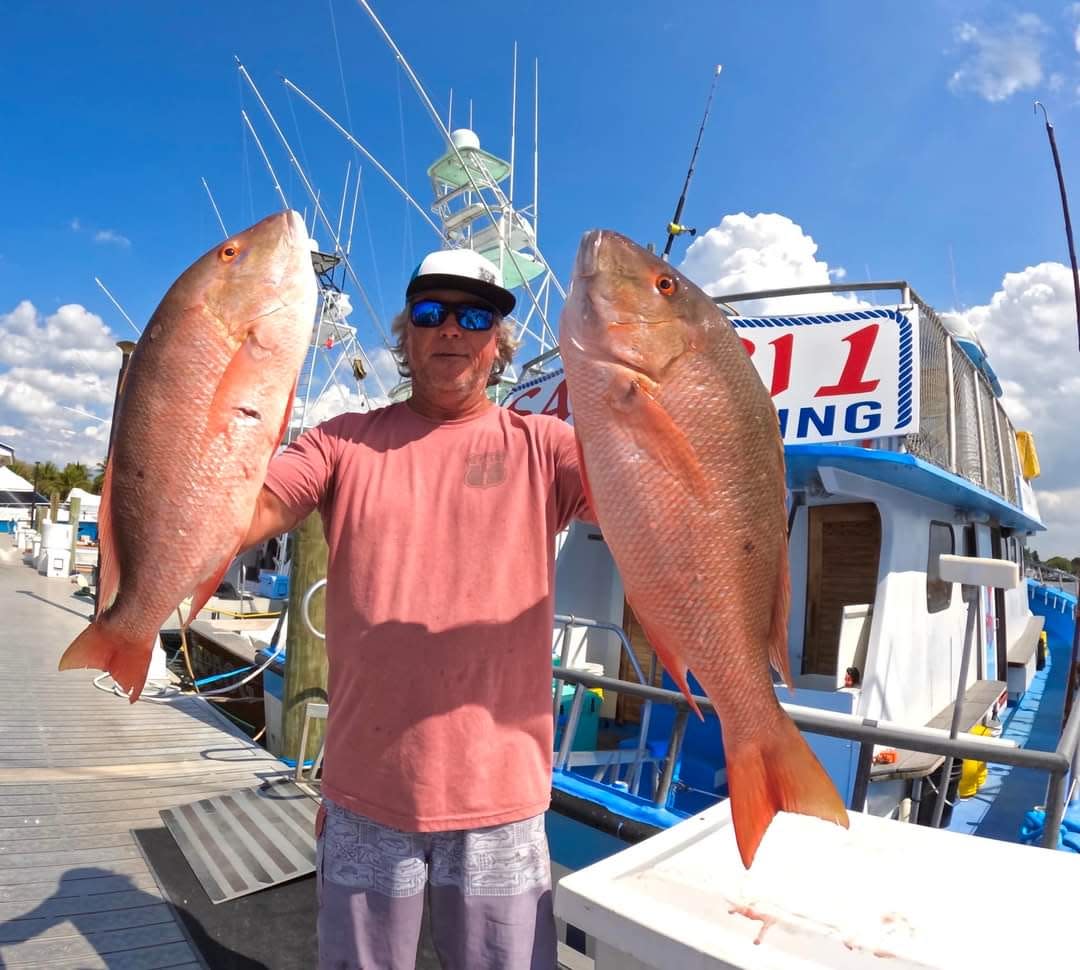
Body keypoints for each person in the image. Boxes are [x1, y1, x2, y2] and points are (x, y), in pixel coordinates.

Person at [242, 248, 590, 970]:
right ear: (405, 333)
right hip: (370, 788)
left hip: (502, 796)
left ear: (499, 341)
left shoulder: (547, 447)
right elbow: (251, 510)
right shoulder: (341, 442)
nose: (451, 330)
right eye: (430, 313)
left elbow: (653, 505)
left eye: (475, 315)